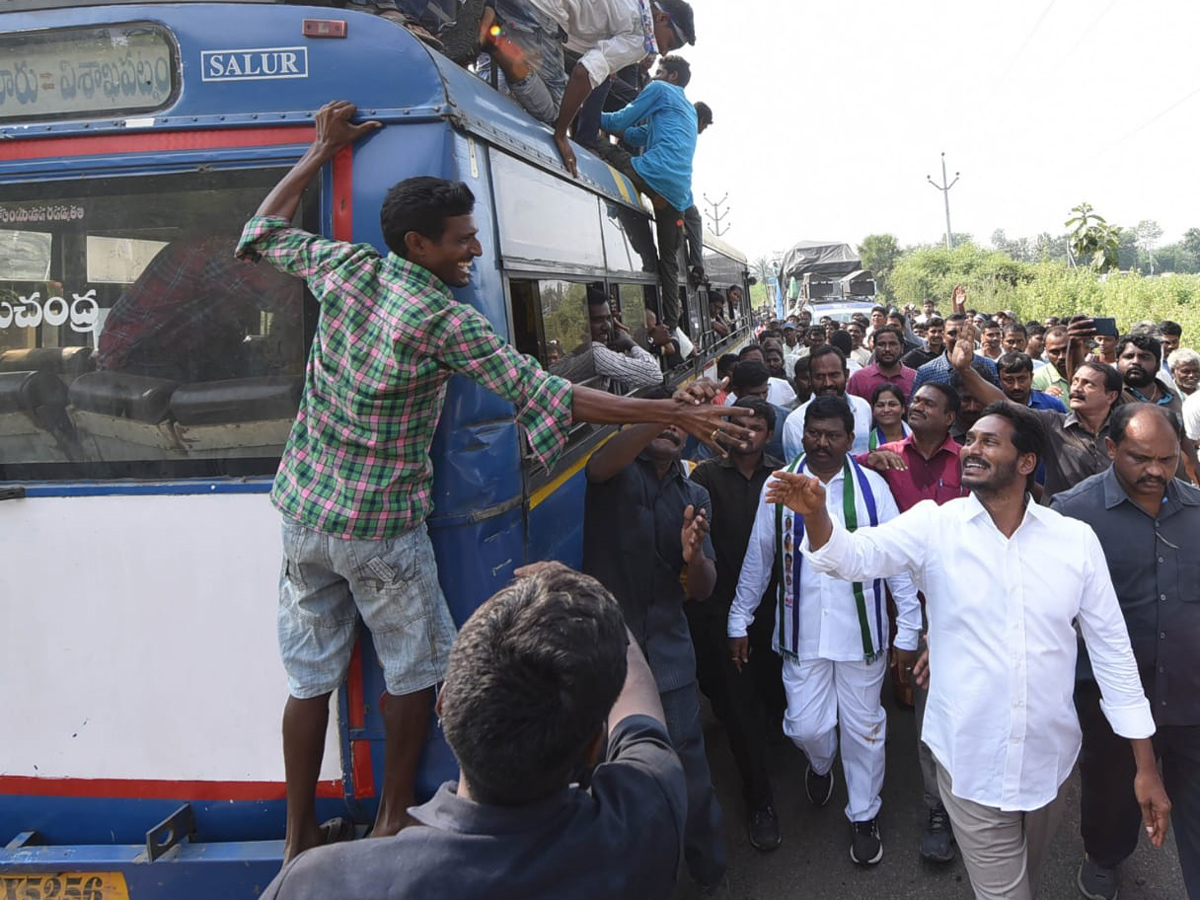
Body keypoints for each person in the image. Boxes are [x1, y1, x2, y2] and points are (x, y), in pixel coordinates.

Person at [237, 101, 749, 863]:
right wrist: (665, 406)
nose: (475, 248)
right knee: (413, 672)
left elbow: (260, 235)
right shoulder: (446, 321)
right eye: (463, 239)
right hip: (380, 527)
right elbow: (553, 394)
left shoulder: (346, 268)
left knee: (308, 680)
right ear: (419, 245)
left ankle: (296, 833)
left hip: (305, 513)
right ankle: (388, 822)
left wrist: (318, 152)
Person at [770, 401, 1171, 900]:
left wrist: (1145, 766)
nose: (972, 450)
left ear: (1026, 462)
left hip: (1049, 764)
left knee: (1029, 878)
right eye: (972, 439)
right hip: (967, 760)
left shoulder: (1074, 541)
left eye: (989, 441)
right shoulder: (934, 526)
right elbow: (853, 556)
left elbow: (1112, 654)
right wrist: (816, 516)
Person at [260, 562, 687, 900]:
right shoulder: (640, 826)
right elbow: (639, 708)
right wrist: (585, 591)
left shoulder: (316, 885)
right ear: (596, 746)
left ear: (444, 703)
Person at [729, 396, 921, 867]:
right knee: (806, 726)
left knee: (865, 729)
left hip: (863, 633)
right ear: (803, 433)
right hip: (802, 632)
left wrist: (909, 630)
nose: (821, 443)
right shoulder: (779, 486)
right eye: (814, 433)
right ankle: (819, 763)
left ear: (849, 438)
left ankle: (863, 813)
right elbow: (760, 556)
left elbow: (896, 558)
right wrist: (740, 618)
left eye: (832, 435)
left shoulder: (873, 487)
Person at [1052, 404, 1198, 900]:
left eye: (1168, 459)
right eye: (1141, 458)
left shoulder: (1197, 513)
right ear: (1111, 449)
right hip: (1108, 696)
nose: (1156, 471)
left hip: (1188, 692)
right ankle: (1105, 856)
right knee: (1112, 786)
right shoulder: (1071, 515)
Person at [582, 399, 727, 890]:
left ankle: (709, 871)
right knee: (611, 773)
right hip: (605, 654)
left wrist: (693, 558)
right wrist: (667, 412)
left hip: (668, 651)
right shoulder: (617, 469)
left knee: (689, 767)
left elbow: (702, 588)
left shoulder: (697, 494)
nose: (670, 429)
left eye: (681, 424)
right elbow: (598, 466)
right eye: (662, 421)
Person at [688, 399, 784, 852]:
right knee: (739, 708)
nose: (747, 433)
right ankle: (759, 799)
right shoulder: (703, 477)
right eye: (738, 424)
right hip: (723, 612)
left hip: (780, 610)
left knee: (776, 695)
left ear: (769, 433)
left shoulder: (783, 475)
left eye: (757, 426)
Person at [477, 0, 695, 176]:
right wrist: (561, 134)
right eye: (671, 43)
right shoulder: (642, 39)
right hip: (542, 14)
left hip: (534, 14)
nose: (664, 53)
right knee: (552, 109)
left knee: (541, 78)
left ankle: (490, 11)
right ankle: (493, 40)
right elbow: (583, 73)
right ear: (662, 18)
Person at [950, 322, 1122, 501]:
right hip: (1062, 521)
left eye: (1088, 384)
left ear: (1111, 396)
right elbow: (1003, 403)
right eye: (1075, 381)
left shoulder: (1125, 430)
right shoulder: (1054, 424)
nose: (1077, 388)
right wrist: (965, 370)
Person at [598, 55, 696, 333]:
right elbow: (636, 136)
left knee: (602, 147)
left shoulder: (660, 89)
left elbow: (617, 123)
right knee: (669, 263)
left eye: (659, 71)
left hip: (652, 175)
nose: (653, 76)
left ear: (672, 76)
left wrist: (585, 112)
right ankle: (671, 326)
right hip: (678, 195)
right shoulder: (686, 108)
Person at [552, 287, 663, 389]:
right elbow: (654, 375)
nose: (607, 326)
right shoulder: (595, 354)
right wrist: (629, 343)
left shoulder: (579, 352)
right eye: (597, 320)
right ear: (580, 324)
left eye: (608, 319)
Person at [781, 345, 874, 459]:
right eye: (819, 377)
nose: (827, 383)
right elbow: (795, 471)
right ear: (810, 379)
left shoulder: (863, 407)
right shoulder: (795, 422)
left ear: (846, 375)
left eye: (834, 375)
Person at [909, 313, 1000, 399]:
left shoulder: (990, 366)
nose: (959, 338)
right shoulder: (926, 372)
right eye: (952, 333)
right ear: (943, 336)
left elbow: (1001, 405)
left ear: (972, 334)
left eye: (964, 332)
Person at [846, 325, 916, 402]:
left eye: (892, 344)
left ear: (902, 348)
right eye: (881, 344)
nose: (887, 349)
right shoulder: (859, 378)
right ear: (874, 348)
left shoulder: (914, 378)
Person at [995, 351, 1066, 412]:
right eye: (1009, 380)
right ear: (999, 379)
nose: (1016, 386)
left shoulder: (1052, 404)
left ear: (1031, 377)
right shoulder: (993, 406)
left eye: (1021, 379)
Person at [867, 383, 911, 449]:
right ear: (873, 410)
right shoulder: (867, 443)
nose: (886, 410)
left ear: (903, 408)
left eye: (892, 404)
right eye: (880, 405)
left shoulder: (919, 437)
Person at [1031, 325, 1070, 398]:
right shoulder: (1036, 379)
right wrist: (1045, 398)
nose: (1061, 356)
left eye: (1066, 350)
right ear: (1046, 351)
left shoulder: (1089, 375)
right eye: (1055, 352)